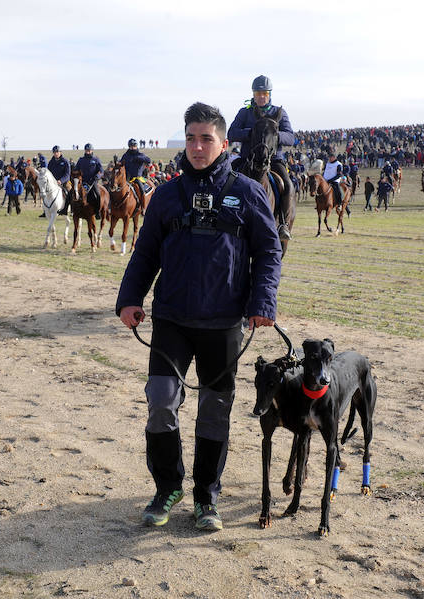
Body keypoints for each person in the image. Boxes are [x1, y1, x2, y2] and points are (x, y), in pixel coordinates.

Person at [115, 102, 282, 532]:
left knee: (214, 409)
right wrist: (129, 298)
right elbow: (145, 252)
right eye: (191, 138)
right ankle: (167, 488)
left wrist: (262, 302)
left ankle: (207, 495)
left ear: (223, 144)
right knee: (161, 402)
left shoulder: (249, 192)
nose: (197, 146)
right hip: (171, 319)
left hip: (223, 323)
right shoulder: (167, 195)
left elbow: (269, 251)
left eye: (206, 138)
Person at [228, 75, 296, 241]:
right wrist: (251, 133)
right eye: (258, 93)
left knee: (287, 185)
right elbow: (232, 133)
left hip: (273, 160)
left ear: (269, 94)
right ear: (253, 94)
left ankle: (283, 224)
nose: (261, 96)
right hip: (247, 158)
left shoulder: (279, 113)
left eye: (264, 93)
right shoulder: (245, 112)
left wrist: (273, 135)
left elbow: (290, 137)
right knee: (226, 179)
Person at [120, 138, 153, 208]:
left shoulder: (140, 155)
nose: (132, 147)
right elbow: (121, 164)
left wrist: (139, 158)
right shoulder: (125, 155)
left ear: (136, 146)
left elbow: (148, 160)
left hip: (137, 178)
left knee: (141, 190)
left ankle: (143, 207)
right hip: (126, 178)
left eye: (134, 146)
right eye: (131, 146)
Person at [75, 143, 104, 219]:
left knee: (97, 194)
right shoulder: (81, 160)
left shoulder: (96, 159)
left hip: (93, 182)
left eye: (89, 150)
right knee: (72, 193)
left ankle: (97, 212)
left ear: (92, 150)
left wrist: (98, 176)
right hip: (82, 182)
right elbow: (76, 170)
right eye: (87, 150)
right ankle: (70, 210)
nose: (88, 151)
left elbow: (101, 171)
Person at [47, 145, 72, 215]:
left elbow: (67, 174)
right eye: (54, 152)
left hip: (64, 182)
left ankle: (72, 209)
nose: (56, 153)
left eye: (57, 152)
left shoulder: (65, 161)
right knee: (45, 192)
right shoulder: (51, 162)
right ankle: (46, 210)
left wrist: (61, 181)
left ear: (60, 152)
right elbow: (49, 173)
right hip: (53, 183)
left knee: (70, 192)